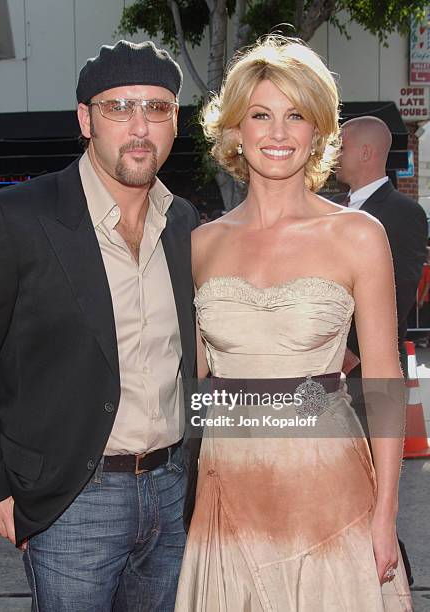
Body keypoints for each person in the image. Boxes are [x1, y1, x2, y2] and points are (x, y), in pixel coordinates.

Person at [0, 40, 199, 612]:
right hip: (73, 497)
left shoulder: (182, 221)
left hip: (172, 488)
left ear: (175, 122)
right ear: (85, 119)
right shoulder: (16, 217)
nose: (139, 126)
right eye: (118, 107)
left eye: (157, 109)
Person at [175, 36, 412, 611]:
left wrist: (385, 515)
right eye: (260, 115)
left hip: (327, 487)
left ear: (317, 132)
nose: (278, 133)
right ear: (234, 130)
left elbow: (382, 381)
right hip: (229, 485)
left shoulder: (357, 235)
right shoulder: (200, 245)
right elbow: (188, 373)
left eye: (295, 116)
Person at [336, 116, 427, 377]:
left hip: (368, 368)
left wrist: (351, 351)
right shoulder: (328, 206)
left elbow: (399, 292)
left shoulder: (404, 213)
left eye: (342, 147)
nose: (335, 155)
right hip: (323, 362)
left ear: (365, 152)